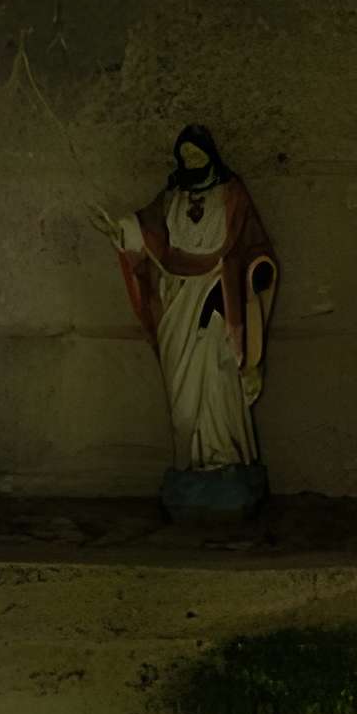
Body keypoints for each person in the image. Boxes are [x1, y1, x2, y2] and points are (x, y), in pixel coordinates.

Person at [89, 123, 277, 514]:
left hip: (217, 294)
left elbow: (254, 243)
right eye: (186, 155)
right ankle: (189, 465)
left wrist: (257, 272)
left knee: (219, 379)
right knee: (182, 396)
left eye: (198, 153)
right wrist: (118, 230)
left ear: (211, 154)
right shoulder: (171, 198)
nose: (192, 160)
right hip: (177, 300)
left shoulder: (232, 193)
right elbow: (145, 231)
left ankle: (227, 462)